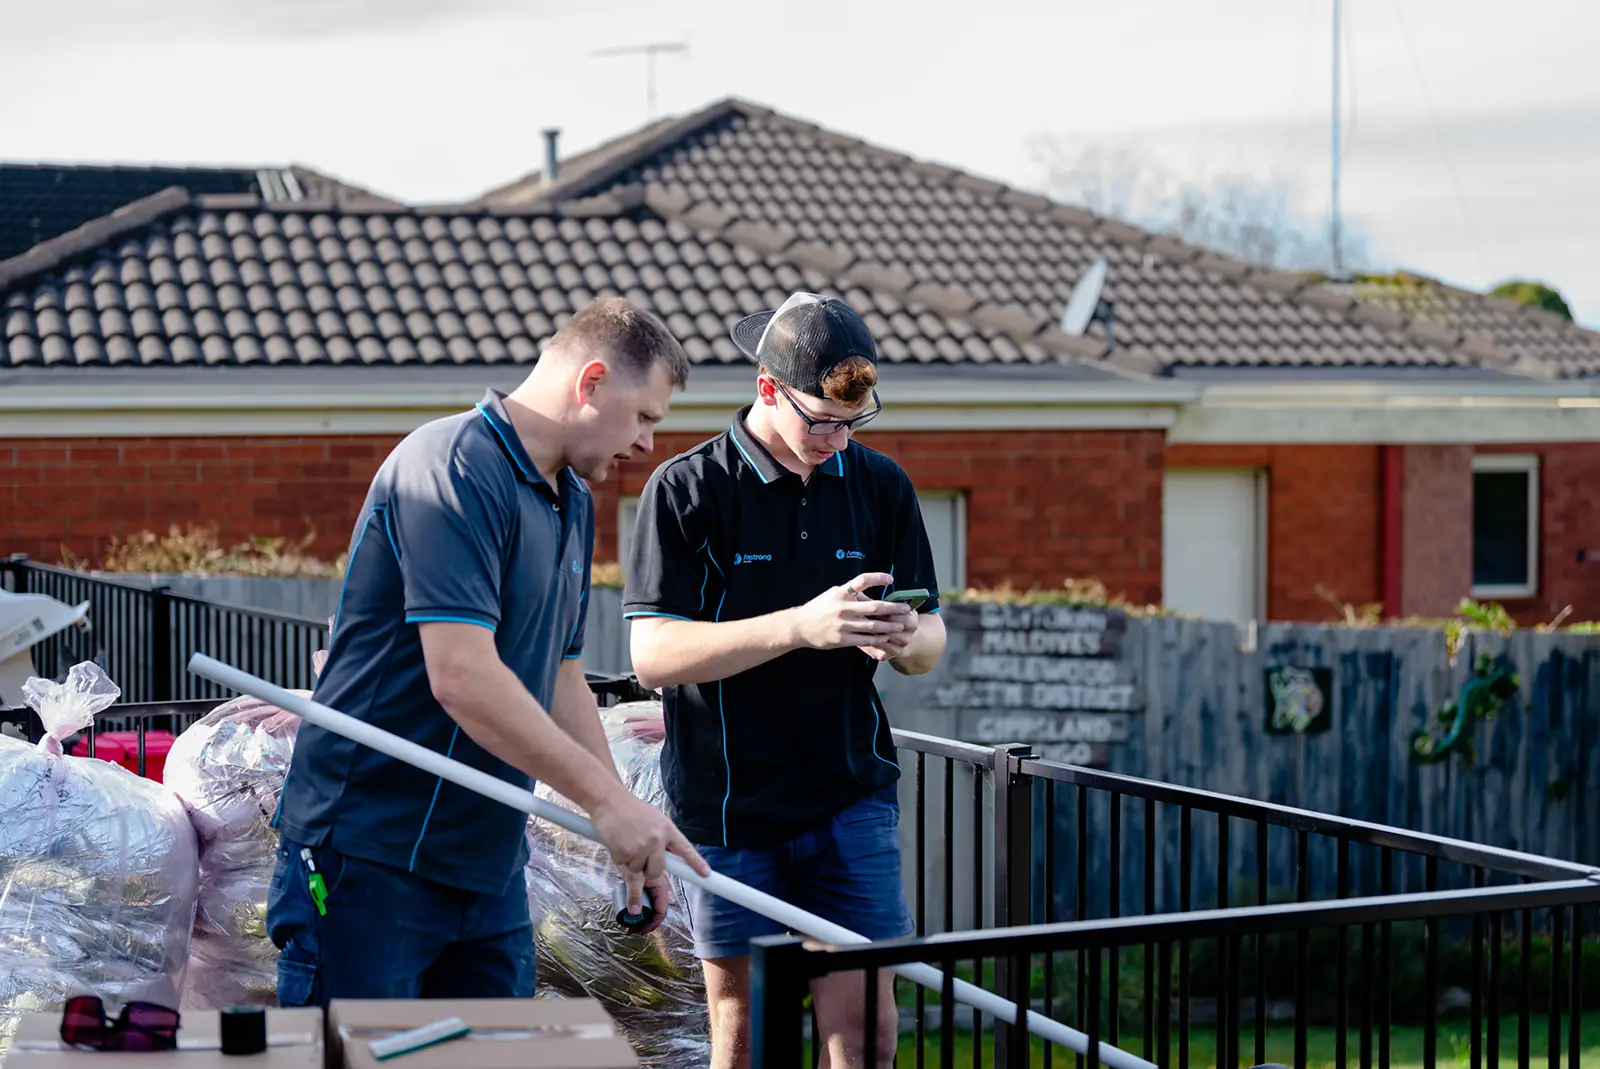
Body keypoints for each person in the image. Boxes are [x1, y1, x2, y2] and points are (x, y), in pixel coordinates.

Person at [267, 297, 711, 1006]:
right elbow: (462, 674)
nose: (649, 443)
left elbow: (562, 673)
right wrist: (604, 803)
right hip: (370, 853)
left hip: (487, 860)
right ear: (590, 381)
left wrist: (629, 826)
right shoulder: (448, 467)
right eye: (646, 417)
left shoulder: (571, 497)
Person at [624, 292, 948, 1068]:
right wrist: (800, 626)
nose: (837, 441)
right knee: (742, 1035)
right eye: (821, 422)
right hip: (729, 812)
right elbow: (653, 654)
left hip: (850, 797)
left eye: (853, 423)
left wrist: (908, 638)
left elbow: (932, 635)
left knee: (866, 1032)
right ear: (767, 389)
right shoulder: (686, 489)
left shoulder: (881, 485)